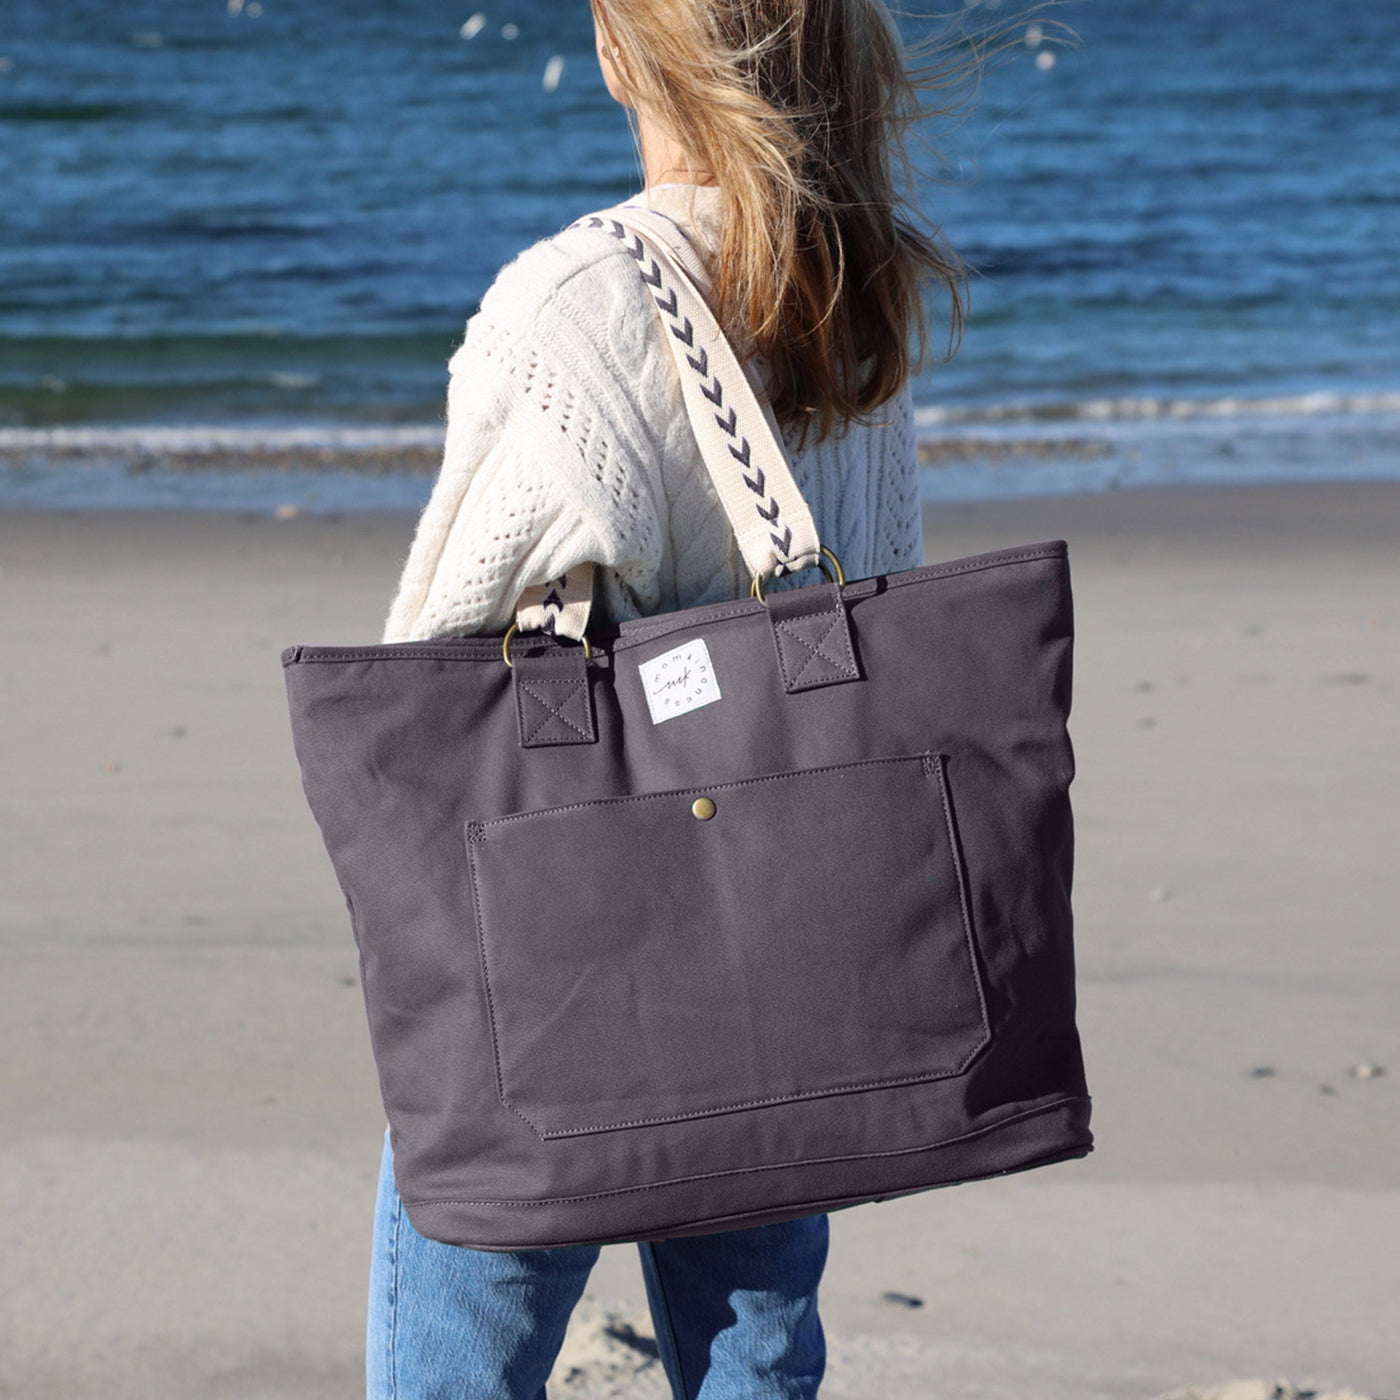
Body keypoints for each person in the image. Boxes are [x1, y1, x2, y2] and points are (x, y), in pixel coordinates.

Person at [371, 1, 967, 1395]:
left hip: (557, 959)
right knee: (757, 1357)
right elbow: (867, 596)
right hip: (785, 936)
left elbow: (436, 658)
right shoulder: (846, 296)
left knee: (464, 1348)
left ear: (617, 50)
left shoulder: (576, 305)